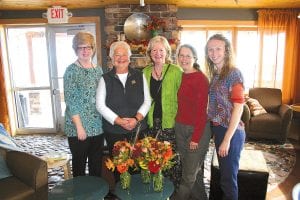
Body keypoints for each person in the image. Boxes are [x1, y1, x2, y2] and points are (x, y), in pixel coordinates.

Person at [96, 41, 151, 178]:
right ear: (111, 58)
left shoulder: (139, 75)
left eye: (124, 54)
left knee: (138, 166)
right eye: (117, 55)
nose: (121, 58)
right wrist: (119, 121)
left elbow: (147, 100)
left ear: (129, 56)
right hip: (114, 132)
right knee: (120, 169)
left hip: (137, 129)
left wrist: (136, 119)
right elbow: (100, 105)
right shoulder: (105, 79)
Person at [205, 34, 246, 200]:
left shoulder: (234, 74)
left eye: (218, 49)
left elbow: (238, 107)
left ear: (226, 51)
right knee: (225, 178)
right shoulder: (216, 75)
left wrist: (227, 139)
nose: (214, 53)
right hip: (220, 129)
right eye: (210, 50)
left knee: (228, 181)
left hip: (232, 132)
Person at [143, 35, 182, 188]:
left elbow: (184, 97)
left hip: (170, 123)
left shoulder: (175, 71)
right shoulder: (145, 72)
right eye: (154, 50)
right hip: (152, 124)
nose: (157, 53)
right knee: (154, 159)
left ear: (166, 52)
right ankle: (157, 189)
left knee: (171, 160)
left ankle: (172, 192)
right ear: (150, 53)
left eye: (161, 50)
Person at [173, 44, 211, 200]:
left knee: (188, 175)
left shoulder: (201, 79)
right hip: (180, 127)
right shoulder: (179, 76)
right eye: (181, 55)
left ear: (195, 58)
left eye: (188, 56)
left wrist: (196, 137)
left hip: (198, 130)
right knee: (193, 170)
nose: (184, 59)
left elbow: (202, 111)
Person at [63, 31, 104, 177]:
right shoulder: (71, 71)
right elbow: (71, 101)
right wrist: (80, 127)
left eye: (88, 47)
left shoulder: (97, 69)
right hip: (78, 127)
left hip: (97, 126)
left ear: (93, 49)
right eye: (81, 47)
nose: (85, 51)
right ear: (76, 49)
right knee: (79, 165)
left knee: (96, 164)